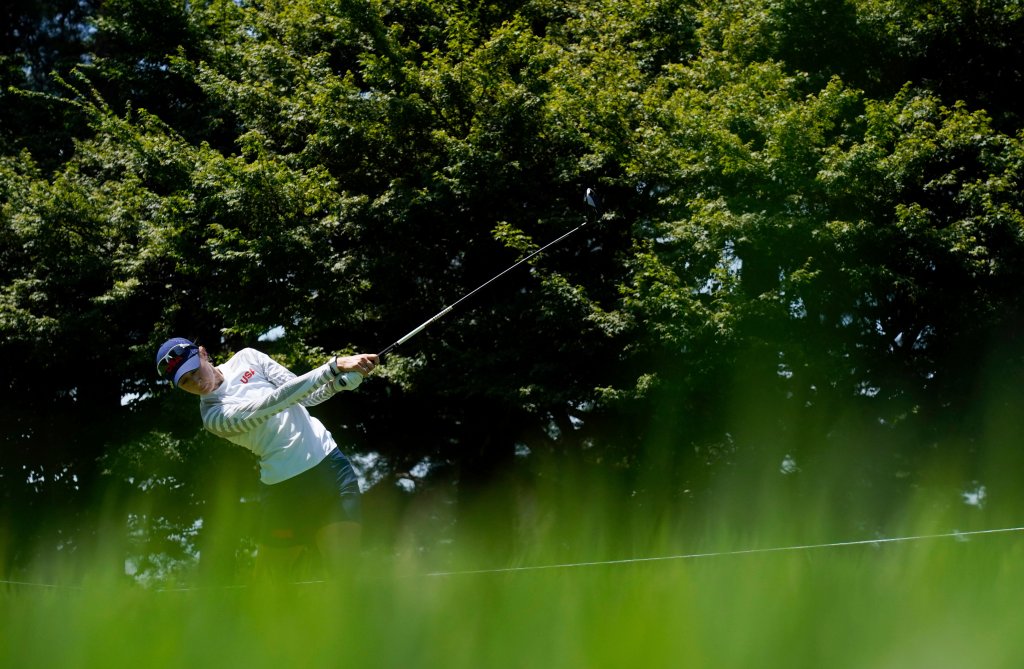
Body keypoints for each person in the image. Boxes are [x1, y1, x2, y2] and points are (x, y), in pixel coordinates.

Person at [155, 337, 378, 582]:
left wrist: (337, 385)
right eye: (185, 382)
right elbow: (273, 403)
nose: (195, 382)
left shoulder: (248, 357)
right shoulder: (214, 416)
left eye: (194, 371)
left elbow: (303, 396)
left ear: (203, 353)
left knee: (345, 574)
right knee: (269, 585)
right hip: (286, 492)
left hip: (331, 468)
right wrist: (334, 367)